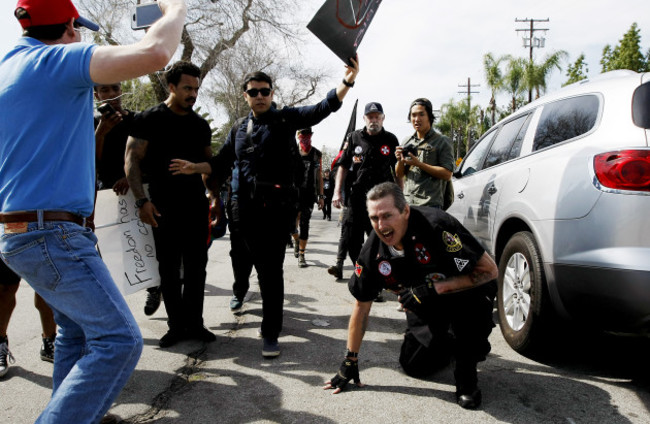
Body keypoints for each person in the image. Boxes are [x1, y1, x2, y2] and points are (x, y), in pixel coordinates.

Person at [0, 0, 186, 422]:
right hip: (52, 234)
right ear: (68, 29)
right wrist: (176, 9)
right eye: (77, 29)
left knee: (77, 332)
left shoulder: (10, 67)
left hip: (29, 230)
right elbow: (156, 54)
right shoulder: (53, 60)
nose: (80, 37)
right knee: (120, 340)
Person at [173, 59, 359, 357]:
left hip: (275, 210)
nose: (259, 95)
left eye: (264, 91)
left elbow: (322, 108)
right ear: (245, 95)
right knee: (240, 260)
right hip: (242, 210)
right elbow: (220, 162)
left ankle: (270, 332)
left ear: (271, 93)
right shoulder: (238, 129)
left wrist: (347, 82)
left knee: (271, 272)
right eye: (253, 91)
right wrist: (196, 167)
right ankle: (239, 290)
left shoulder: (285, 119)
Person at [324, 182, 498, 409]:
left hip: (465, 294)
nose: (381, 225)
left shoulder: (437, 226)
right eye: (374, 218)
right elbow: (362, 307)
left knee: (468, 319)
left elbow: (490, 271)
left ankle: (467, 369)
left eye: (387, 216)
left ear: (405, 211)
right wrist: (350, 359)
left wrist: (437, 288)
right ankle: (452, 345)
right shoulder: (372, 253)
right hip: (425, 301)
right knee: (414, 365)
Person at [126, 61, 215, 349]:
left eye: (197, 88)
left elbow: (210, 165)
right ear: (171, 86)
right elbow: (132, 160)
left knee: (196, 267)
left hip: (195, 206)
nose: (193, 94)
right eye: (187, 88)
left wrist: (207, 187)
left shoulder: (200, 125)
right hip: (162, 206)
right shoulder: (148, 119)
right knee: (168, 268)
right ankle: (175, 325)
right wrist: (142, 201)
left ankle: (195, 323)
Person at [94, 82, 163, 317]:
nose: (112, 95)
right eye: (105, 90)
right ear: (96, 94)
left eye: (115, 89)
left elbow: (149, 157)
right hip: (107, 194)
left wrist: (129, 176)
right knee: (109, 250)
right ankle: (113, 310)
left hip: (139, 190)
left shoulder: (137, 120)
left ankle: (154, 286)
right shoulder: (93, 124)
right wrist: (101, 132)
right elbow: (90, 161)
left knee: (146, 242)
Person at [328, 102, 399, 284]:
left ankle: (376, 279)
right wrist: (337, 192)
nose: (373, 120)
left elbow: (398, 170)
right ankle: (366, 275)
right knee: (352, 241)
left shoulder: (391, 140)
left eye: (377, 116)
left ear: (383, 118)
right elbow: (342, 166)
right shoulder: (354, 138)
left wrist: (400, 196)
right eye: (370, 116)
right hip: (357, 198)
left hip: (382, 201)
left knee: (381, 241)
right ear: (364, 119)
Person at [0, 261, 57, 378]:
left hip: (46, 243)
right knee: (5, 287)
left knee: (47, 286)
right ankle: (0, 342)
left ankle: (49, 343)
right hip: (9, 243)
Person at [396, 98, 454, 208]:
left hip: (431, 205)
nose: (417, 119)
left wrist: (419, 164)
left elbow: (447, 174)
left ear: (429, 117)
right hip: (409, 204)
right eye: (413, 115)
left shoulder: (442, 141)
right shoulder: (407, 141)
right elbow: (399, 174)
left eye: (421, 114)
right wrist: (399, 160)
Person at [291, 127, 324, 268]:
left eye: (307, 134)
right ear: (298, 135)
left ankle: (302, 255)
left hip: (309, 194)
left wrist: (321, 196)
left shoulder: (317, 154)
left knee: (305, 224)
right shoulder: (291, 151)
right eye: (302, 134)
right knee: (291, 225)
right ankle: (296, 240)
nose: (305, 137)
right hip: (292, 194)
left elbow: (319, 176)